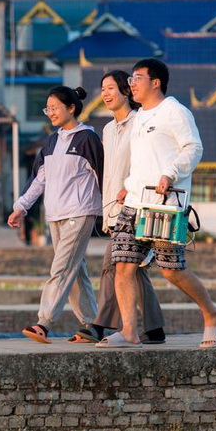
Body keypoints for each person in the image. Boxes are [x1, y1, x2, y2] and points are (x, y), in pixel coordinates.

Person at [120, 58, 216, 348]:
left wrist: (170, 173)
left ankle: (213, 314)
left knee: (171, 269)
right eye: (130, 78)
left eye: (137, 78)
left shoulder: (175, 111)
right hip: (134, 202)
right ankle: (130, 331)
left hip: (164, 206)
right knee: (123, 264)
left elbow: (194, 148)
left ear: (155, 82)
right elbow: (143, 159)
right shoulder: (138, 116)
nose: (131, 83)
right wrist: (127, 187)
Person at [71, 70, 166, 347]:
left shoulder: (141, 123)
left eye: (111, 87)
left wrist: (132, 187)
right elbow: (108, 171)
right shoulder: (108, 129)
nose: (105, 94)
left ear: (127, 90)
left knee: (115, 266)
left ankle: (100, 325)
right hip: (114, 208)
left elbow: (147, 163)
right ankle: (154, 327)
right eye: (102, 89)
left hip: (137, 204)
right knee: (131, 268)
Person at [7, 86, 102, 344]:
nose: (50, 113)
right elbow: (40, 179)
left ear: (71, 108)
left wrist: (111, 215)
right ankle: (93, 326)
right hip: (55, 215)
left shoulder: (87, 139)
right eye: (47, 109)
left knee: (61, 268)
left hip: (80, 212)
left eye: (55, 108)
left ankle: (43, 322)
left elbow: (103, 177)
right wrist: (21, 206)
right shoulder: (51, 141)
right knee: (75, 271)